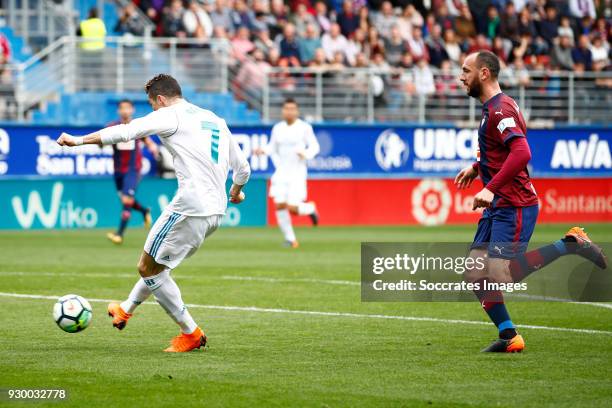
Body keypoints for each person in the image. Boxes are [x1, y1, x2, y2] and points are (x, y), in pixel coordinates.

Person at [56, 74, 251, 352]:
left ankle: (191, 333)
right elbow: (243, 169)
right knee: (157, 266)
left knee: (148, 268)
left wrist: (78, 141)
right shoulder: (215, 119)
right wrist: (234, 193)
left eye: (153, 106)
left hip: (189, 206)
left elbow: (125, 131)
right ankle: (125, 309)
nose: (153, 112)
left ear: (160, 99)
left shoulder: (171, 114)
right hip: (215, 211)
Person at [454, 51, 607, 353]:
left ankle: (570, 243)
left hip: (515, 204)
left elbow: (522, 153)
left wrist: (490, 188)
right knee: (475, 272)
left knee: (501, 274)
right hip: (499, 205)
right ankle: (509, 336)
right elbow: (501, 150)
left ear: (484, 73)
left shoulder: (500, 110)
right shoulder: (495, 108)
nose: (461, 77)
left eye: (466, 70)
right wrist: (477, 168)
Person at [255, 98, 320, 248]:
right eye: (286, 108)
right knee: (279, 205)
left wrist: (306, 153)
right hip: (281, 172)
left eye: (292, 108)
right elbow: (272, 147)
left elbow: (315, 146)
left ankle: (310, 208)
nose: (289, 111)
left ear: (297, 111)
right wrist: (263, 150)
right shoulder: (278, 128)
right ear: (283, 111)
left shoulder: (304, 127)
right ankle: (290, 239)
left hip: (297, 173)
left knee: (292, 207)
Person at [106, 99, 158, 245]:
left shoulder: (137, 126)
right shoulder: (112, 127)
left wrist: (153, 148)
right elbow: (101, 141)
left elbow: (148, 141)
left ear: (132, 110)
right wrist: (100, 143)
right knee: (125, 200)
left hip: (133, 169)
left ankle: (119, 234)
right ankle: (144, 211)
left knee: (127, 201)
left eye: (128, 108)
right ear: (118, 111)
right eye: (122, 108)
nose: (125, 111)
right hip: (118, 170)